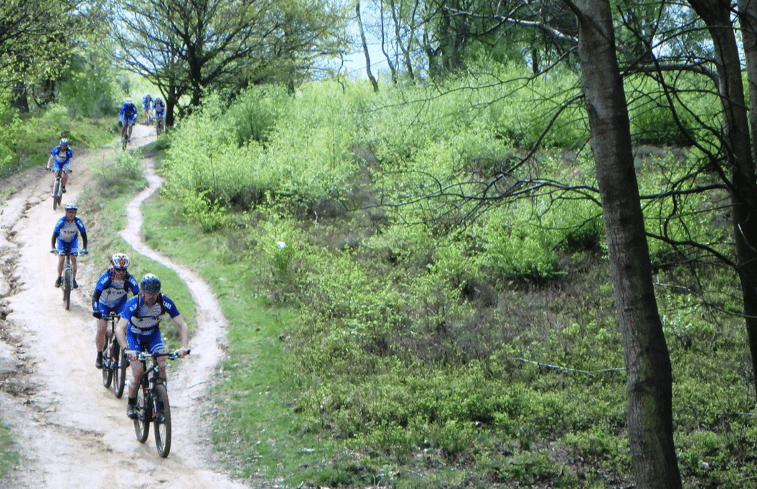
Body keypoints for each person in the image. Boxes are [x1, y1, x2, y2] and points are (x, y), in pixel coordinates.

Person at [116, 273, 190, 419]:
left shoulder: (164, 302)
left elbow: (182, 325)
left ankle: (161, 402)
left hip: (152, 335)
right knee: (138, 372)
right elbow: (119, 328)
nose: (152, 297)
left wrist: (184, 346)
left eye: (154, 293)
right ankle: (131, 403)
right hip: (134, 336)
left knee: (161, 363)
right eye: (149, 293)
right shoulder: (133, 303)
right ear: (142, 291)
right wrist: (126, 349)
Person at [92, 253, 140, 369]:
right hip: (104, 304)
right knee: (102, 328)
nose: (121, 272)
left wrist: (137, 311)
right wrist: (96, 310)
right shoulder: (106, 277)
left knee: (125, 328)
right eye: (118, 269)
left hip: (120, 304)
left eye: (124, 270)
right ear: (113, 267)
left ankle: (124, 351)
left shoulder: (129, 279)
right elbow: (95, 296)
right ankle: (99, 354)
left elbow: (138, 297)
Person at [51, 203, 88, 288]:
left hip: (73, 241)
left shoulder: (77, 221)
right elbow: (55, 234)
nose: (71, 214)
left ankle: (74, 279)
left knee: (73, 259)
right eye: (69, 212)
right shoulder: (61, 221)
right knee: (61, 258)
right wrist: (53, 247)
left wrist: (84, 248)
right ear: (66, 212)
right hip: (62, 241)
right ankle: (59, 277)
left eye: (73, 212)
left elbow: (83, 234)